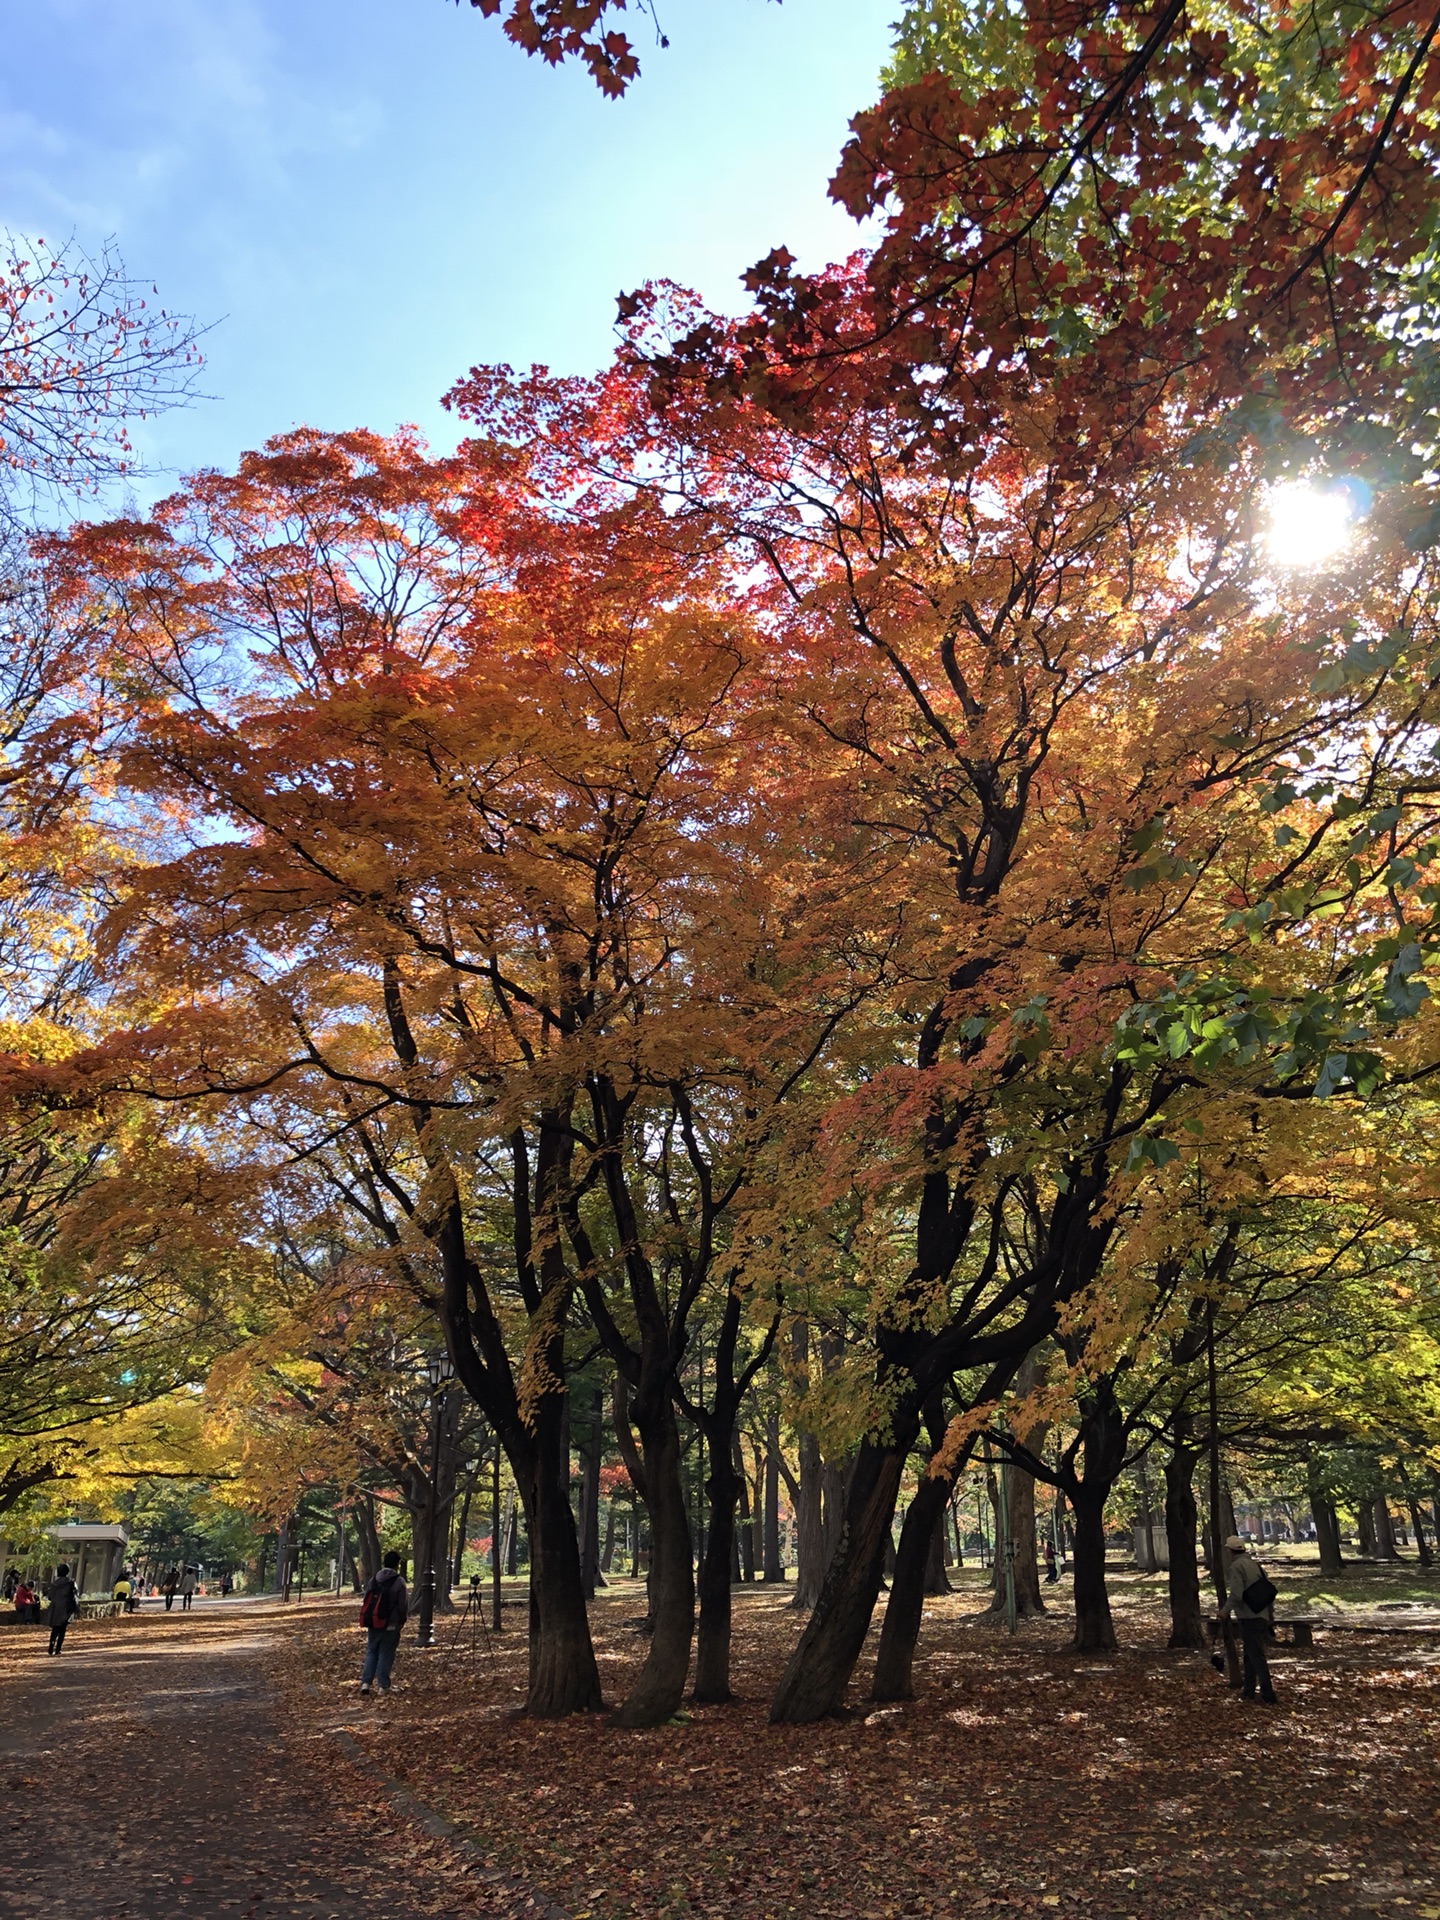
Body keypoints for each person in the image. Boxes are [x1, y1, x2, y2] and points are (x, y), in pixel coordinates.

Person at [1221, 1533, 1278, 1704]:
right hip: (1260, 1614)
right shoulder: (1255, 1565)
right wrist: (1270, 1614)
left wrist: (1224, 1611)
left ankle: (1268, 1693)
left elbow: (1236, 1594)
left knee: (1256, 1655)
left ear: (1230, 1551)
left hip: (1248, 1615)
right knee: (1250, 1653)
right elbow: (1267, 1591)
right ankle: (1249, 1690)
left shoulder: (1236, 1567)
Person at [358, 1551, 410, 1696]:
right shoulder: (399, 1582)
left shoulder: (374, 1579)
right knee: (386, 1653)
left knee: (372, 1651)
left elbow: (366, 1599)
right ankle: (383, 1685)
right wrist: (401, 1620)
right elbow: (403, 1604)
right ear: (397, 1565)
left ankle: (366, 1683)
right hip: (391, 1623)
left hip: (373, 1621)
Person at [46, 1563, 80, 1655]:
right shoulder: (71, 1582)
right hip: (66, 1608)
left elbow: (49, 1596)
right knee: (62, 1628)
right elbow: (75, 1595)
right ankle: (58, 1649)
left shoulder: (54, 1584)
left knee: (55, 1629)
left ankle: (51, 1646)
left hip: (55, 1608)